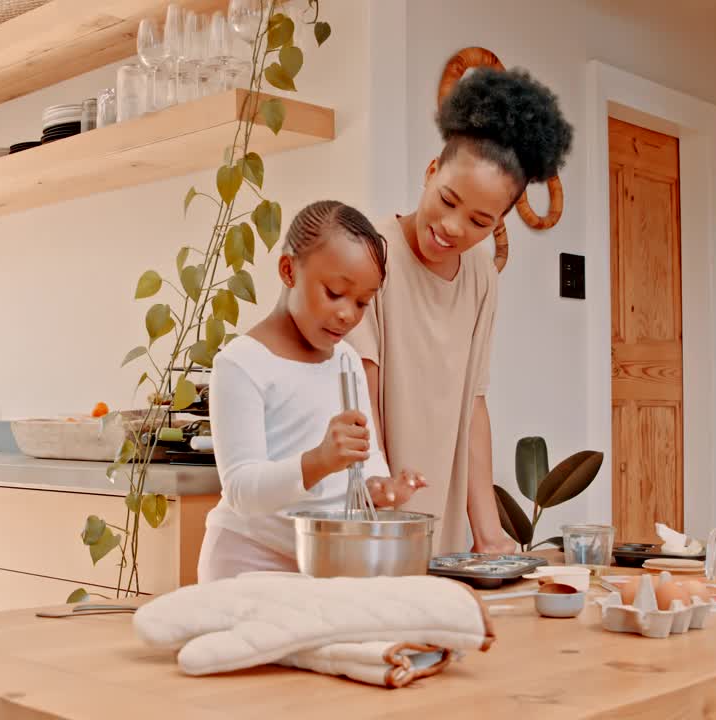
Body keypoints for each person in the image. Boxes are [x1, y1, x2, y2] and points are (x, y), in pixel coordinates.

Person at [349, 67, 574, 555]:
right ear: (431, 172)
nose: (452, 228)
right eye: (447, 200)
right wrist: (386, 511)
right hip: (373, 519)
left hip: (440, 527)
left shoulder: (480, 276)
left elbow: (473, 406)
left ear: (500, 220)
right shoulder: (368, 253)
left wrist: (488, 533)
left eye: (478, 220)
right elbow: (360, 395)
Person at [197, 200, 426, 583]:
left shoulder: (347, 362)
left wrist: (384, 491)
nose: (348, 314)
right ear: (288, 270)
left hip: (322, 566)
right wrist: (319, 459)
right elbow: (242, 491)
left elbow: (360, 472)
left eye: (362, 302)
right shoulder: (241, 363)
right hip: (247, 562)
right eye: (335, 292)